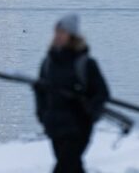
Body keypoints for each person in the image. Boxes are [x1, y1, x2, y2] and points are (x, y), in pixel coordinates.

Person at [35, 14, 109, 173]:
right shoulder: (48, 63)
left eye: (62, 32)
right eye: (56, 32)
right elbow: (40, 91)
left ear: (72, 36)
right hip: (55, 127)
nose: (58, 36)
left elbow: (101, 93)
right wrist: (42, 115)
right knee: (73, 168)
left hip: (78, 128)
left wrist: (91, 112)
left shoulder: (86, 64)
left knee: (63, 168)